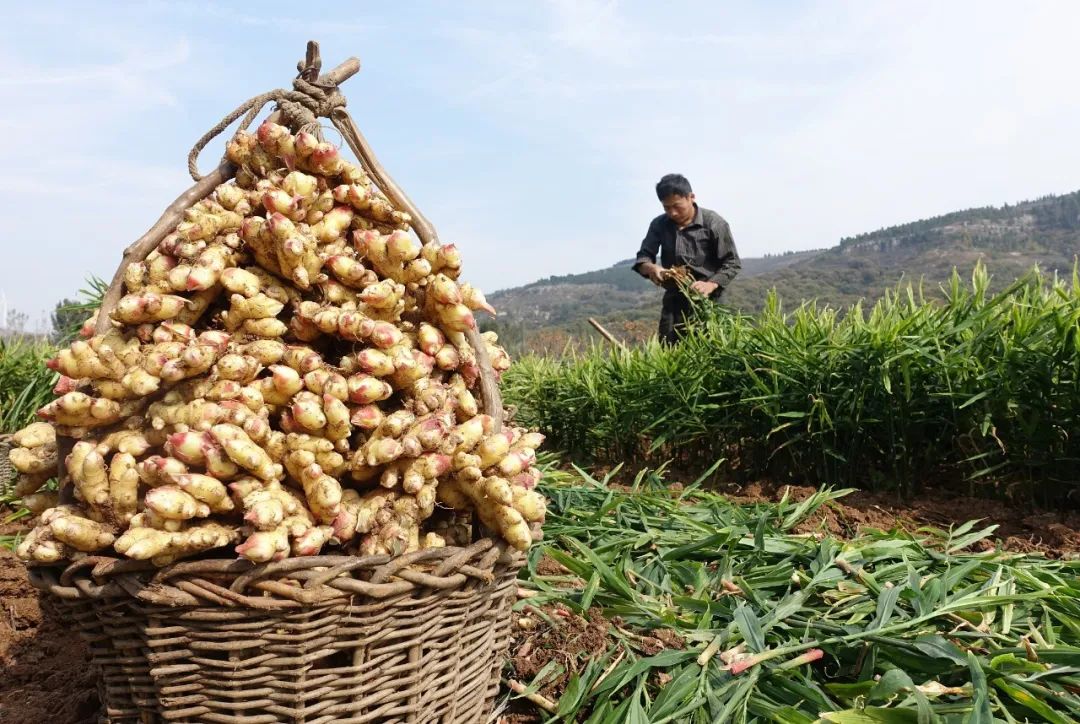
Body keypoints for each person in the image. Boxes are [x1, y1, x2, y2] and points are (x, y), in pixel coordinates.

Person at [632, 174, 741, 345]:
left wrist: (710, 285)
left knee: (713, 350)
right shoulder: (659, 225)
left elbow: (732, 263)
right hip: (674, 302)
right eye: (666, 208)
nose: (672, 213)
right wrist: (652, 268)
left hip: (709, 302)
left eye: (677, 206)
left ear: (691, 197)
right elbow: (644, 257)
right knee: (671, 352)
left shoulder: (714, 223)